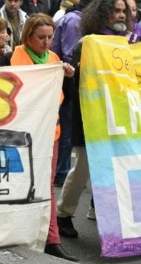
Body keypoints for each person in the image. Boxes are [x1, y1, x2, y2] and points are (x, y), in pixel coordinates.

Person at [0, 13, 77, 262]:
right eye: (41, 37)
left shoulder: (54, 60)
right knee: (16, 185)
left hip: (49, 134)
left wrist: (69, 79)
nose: (47, 42)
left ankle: (52, 240)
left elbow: (66, 99)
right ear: (27, 36)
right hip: (18, 135)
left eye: (50, 37)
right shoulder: (9, 59)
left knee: (47, 187)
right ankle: (14, 235)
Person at [57, 0, 132, 240]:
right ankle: (63, 214)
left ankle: (96, 208)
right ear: (102, 15)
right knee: (83, 167)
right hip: (90, 114)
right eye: (116, 11)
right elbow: (78, 80)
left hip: (117, 116)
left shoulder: (126, 44)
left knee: (113, 164)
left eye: (123, 12)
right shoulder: (86, 43)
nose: (121, 16)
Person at [50, 0, 92, 189]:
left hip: (67, 80)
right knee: (66, 127)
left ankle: (63, 170)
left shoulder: (76, 19)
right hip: (65, 81)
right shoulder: (75, 21)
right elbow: (70, 54)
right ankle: (62, 172)